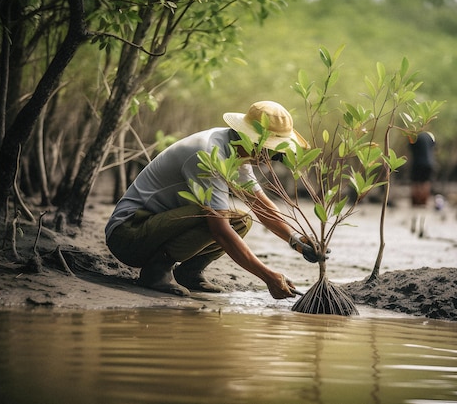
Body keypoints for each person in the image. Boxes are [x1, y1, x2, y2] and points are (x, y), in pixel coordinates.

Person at [105, 101, 321, 300]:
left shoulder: (237, 151)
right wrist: (268, 277)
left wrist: (296, 240)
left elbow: (260, 205)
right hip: (128, 235)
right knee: (217, 216)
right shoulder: (208, 153)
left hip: (153, 229)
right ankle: (156, 270)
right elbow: (220, 230)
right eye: (273, 152)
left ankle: (189, 272)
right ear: (255, 142)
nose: (272, 159)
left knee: (242, 220)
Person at [409, 131, 436, 207]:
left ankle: (415, 202)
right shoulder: (430, 136)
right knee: (426, 182)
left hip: (417, 163)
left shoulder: (414, 137)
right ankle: (424, 202)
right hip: (429, 163)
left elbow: (411, 148)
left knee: (416, 182)